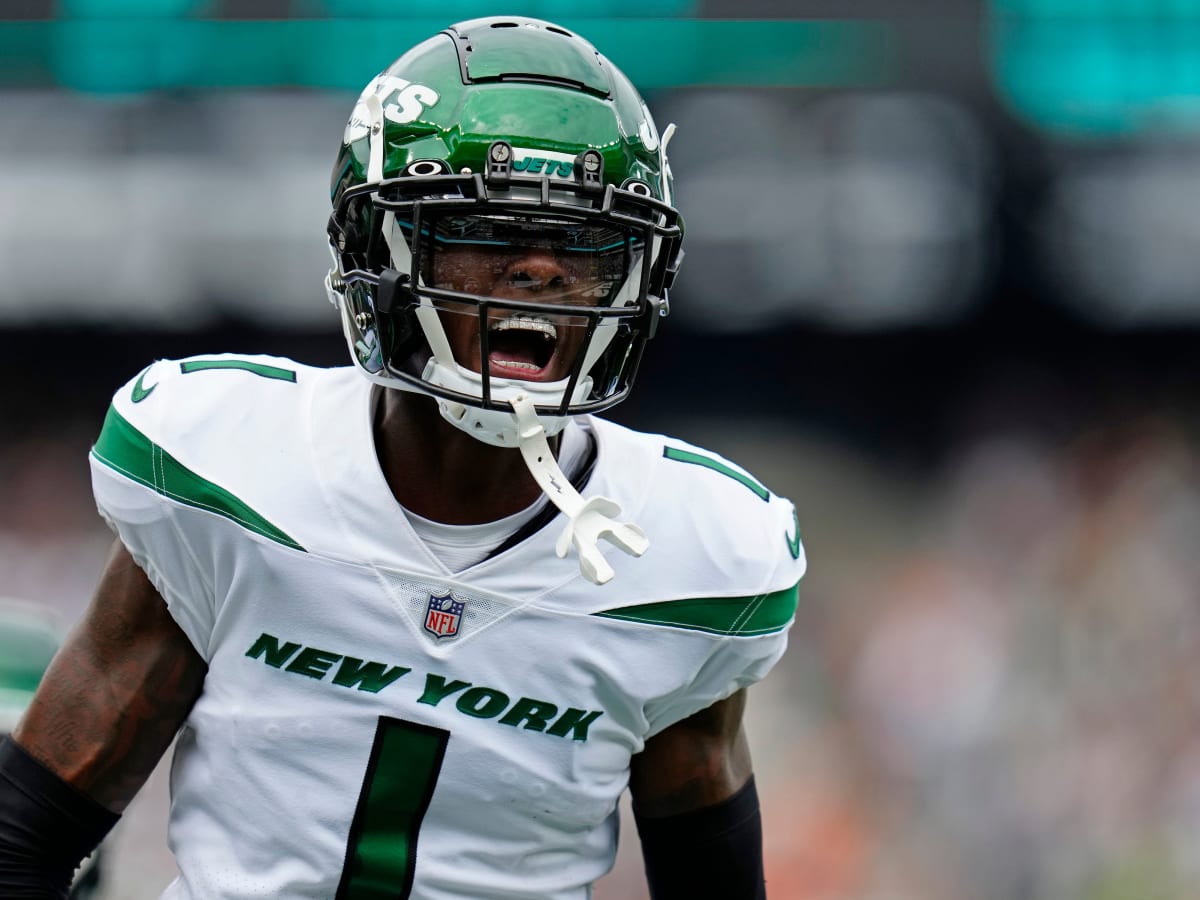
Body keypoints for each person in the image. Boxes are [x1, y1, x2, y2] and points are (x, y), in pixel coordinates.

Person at [0, 15, 806, 899]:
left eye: (582, 242)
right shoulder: (229, 472)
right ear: (378, 249)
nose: (542, 271)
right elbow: (24, 837)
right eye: (489, 229)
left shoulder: (692, 557)